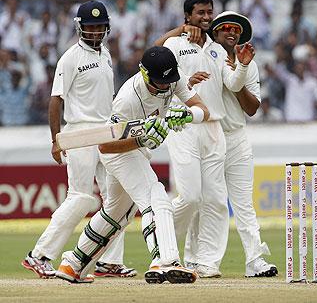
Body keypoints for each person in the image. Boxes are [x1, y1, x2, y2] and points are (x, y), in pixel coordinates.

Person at [55, 46, 209, 284]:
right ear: (145, 74)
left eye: (169, 81)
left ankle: (73, 264)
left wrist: (189, 115)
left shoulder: (171, 78)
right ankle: (165, 260)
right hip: (118, 153)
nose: (166, 87)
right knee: (155, 195)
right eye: (160, 82)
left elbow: (204, 110)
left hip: (137, 150)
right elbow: (105, 147)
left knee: (118, 213)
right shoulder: (128, 97)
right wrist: (141, 138)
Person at [21, 0, 136, 279]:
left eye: (99, 27)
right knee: (82, 197)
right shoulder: (70, 57)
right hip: (79, 131)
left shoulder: (106, 55)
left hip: (106, 131)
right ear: (80, 28)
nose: (95, 32)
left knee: (115, 199)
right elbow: (55, 100)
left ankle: (108, 261)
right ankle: (39, 255)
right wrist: (55, 139)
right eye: (90, 27)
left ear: (106, 28)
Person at [154, 0, 255, 277]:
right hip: (183, 126)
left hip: (214, 129)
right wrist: (187, 80)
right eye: (200, 13)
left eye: (209, 12)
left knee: (214, 199)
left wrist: (243, 65)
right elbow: (152, 60)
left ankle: (207, 261)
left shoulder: (218, 48)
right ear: (188, 15)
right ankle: (163, 247)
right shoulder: (175, 44)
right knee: (190, 197)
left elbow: (233, 84)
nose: (207, 17)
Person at [182, 11, 278, 277]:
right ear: (214, 32)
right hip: (208, 135)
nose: (231, 32)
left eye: (236, 29)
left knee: (243, 203)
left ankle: (255, 260)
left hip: (236, 137)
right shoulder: (204, 56)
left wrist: (241, 68)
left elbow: (251, 108)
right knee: (202, 201)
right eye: (224, 28)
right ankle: (192, 258)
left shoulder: (249, 63)